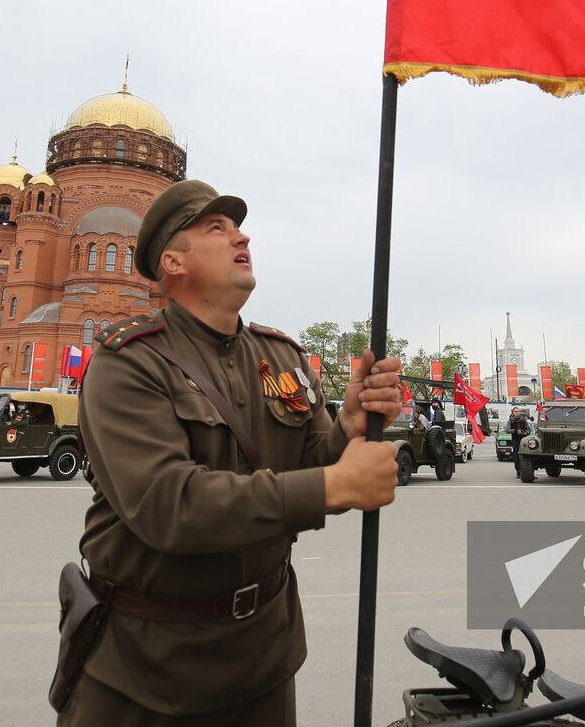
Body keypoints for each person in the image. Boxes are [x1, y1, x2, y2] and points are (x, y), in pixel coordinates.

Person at [59, 180, 401, 726]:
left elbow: (311, 459)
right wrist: (334, 487)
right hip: (148, 667)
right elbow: (168, 505)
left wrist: (349, 425)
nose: (240, 236)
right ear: (172, 261)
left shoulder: (280, 354)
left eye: (237, 226)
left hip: (264, 654)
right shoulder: (128, 363)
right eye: (215, 228)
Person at [507, 406, 530, 478]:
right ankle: (518, 472)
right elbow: (507, 430)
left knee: (526, 456)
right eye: (516, 412)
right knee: (517, 457)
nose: (517, 413)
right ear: (513, 413)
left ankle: (528, 472)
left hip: (524, 441)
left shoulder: (523, 420)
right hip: (515, 440)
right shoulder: (510, 420)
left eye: (518, 411)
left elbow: (529, 430)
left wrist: (525, 433)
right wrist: (516, 431)